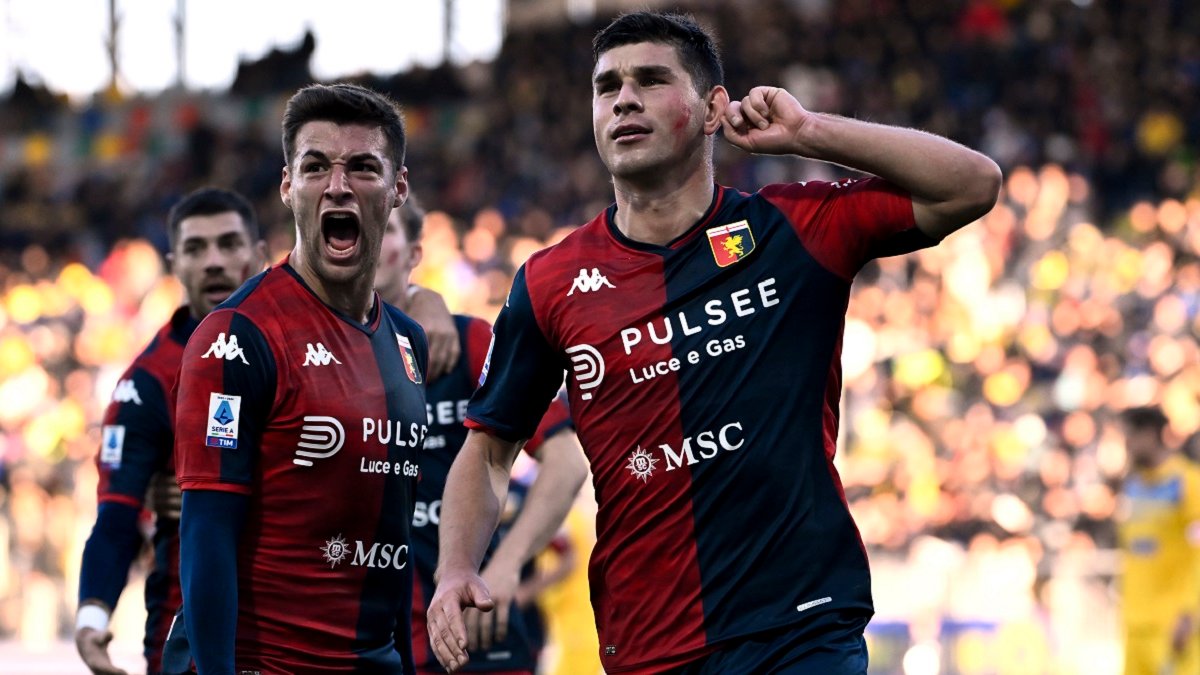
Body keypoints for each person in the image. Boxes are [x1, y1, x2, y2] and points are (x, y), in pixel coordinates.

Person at [427, 10, 1002, 674]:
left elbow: (972, 184)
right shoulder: (549, 282)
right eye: (607, 86)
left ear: (712, 109)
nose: (624, 99)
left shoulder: (792, 229)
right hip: (650, 644)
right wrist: (455, 568)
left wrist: (809, 132)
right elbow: (490, 448)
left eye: (650, 80)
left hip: (802, 628)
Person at [174, 82, 427, 673]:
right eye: (316, 167)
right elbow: (206, 533)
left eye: (362, 167)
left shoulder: (408, 342)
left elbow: (396, 539)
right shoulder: (237, 336)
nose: (337, 185)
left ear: (398, 188)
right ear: (288, 187)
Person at [374, 198, 588, 674]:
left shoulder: (468, 342)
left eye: (385, 228)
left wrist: (504, 567)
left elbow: (567, 463)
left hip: (477, 637)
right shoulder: (316, 356)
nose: (368, 237)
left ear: (414, 254)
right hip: (371, 641)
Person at [76, 187, 267, 675]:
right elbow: (116, 515)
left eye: (229, 244)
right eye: (195, 248)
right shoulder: (147, 380)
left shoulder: (307, 346)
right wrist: (92, 615)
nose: (214, 261)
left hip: (296, 627)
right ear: (175, 264)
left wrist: (426, 303)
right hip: (185, 641)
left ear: (260, 254)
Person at [1117, 406, 1200, 675]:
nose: (1126, 445)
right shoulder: (1131, 486)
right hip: (1135, 624)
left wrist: (1190, 611)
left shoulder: (1187, 483)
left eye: (1130, 436)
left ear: (1151, 434)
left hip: (1173, 624)